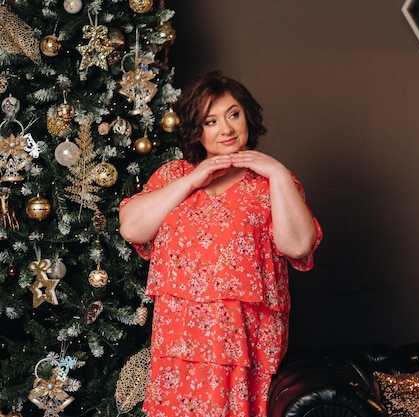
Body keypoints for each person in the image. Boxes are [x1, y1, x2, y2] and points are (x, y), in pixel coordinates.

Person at [119, 71, 322, 417]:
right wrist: (194, 180)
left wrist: (275, 172)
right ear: (197, 131)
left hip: (242, 344)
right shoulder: (172, 175)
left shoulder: (270, 182)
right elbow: (133, 228)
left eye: (233, 114)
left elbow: (299, 245)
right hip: (178, 342)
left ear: (248, 117)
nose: (226, 129)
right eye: (211, 121)